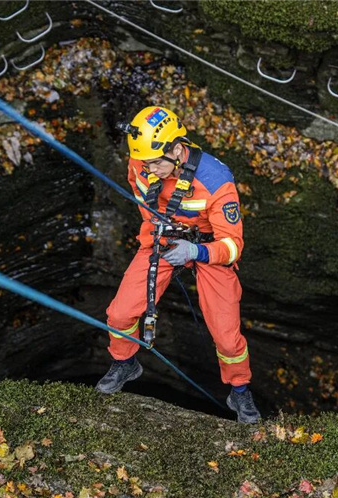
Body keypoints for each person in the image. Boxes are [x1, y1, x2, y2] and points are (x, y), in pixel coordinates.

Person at [95, 105, 260, 424]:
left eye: (157, 161)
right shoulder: (141, 162)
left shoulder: (215, 181)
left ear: (176, 149)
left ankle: (239, 391)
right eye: (146, 162)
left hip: (207, 246)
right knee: (119, 313)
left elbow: (232, 246)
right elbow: (143, 198)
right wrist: (159, 233)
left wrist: (195, 252)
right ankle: (125, 362)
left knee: (227, 335)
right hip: (163, 237)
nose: (150, 168)